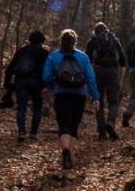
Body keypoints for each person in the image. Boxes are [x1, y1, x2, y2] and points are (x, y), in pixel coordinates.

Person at [42, 28, 99, 170]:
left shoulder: (53, 57)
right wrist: (95, 97)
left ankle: (65, 150)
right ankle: (70, 155)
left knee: (63, 124)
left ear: (61, 41)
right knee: (74, 125)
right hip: (79, 95)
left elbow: (46, 77)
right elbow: (91, 78)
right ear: (75, 42)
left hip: (62, 94)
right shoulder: (83, 57)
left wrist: (54, 85)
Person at [4, 29, 50, 143]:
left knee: (21, 108)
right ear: (42, 41)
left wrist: (8, 85)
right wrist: (47, 85)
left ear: (30, 39)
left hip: (21, 82)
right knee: (37, 108)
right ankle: (33, 133)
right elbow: (47, 71)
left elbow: (10, 68)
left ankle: (21, 132)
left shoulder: (21, 51)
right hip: (38, 84)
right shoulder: (44, 53)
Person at [83, 22, 126, 140]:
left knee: (98, 101)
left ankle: (102, 132)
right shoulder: (115, 40)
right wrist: (120, 80)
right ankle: (110, 123)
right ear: (106, 30)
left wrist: (88, 79)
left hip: (97, 72)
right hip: (113, 72)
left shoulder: (92, 42)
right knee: (114, 101)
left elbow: (86, 62)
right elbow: (123, 62)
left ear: (95, 32)